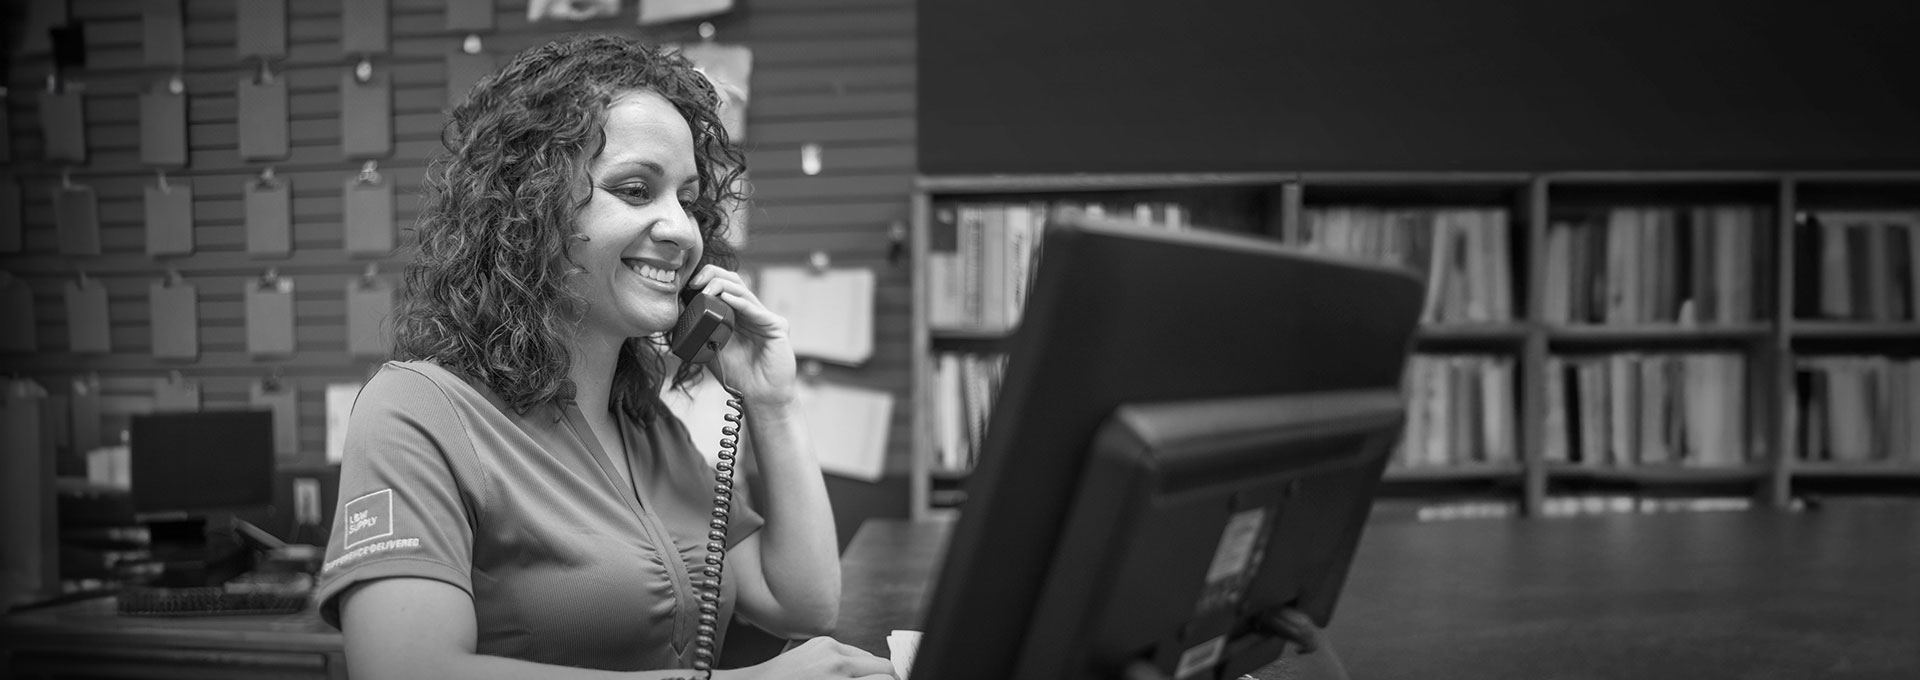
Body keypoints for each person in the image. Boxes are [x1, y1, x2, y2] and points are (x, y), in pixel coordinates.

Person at [315, 34, 896, 680]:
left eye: (687, 196)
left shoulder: (653, 433)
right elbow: (404, 671)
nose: (682, 229)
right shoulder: (415, 411)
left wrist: (772, 402)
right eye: (637, 190)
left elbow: (802, 601)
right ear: (529, 210)